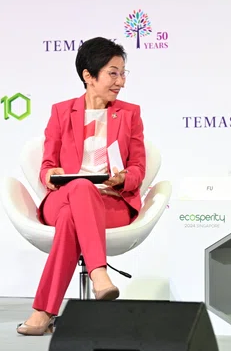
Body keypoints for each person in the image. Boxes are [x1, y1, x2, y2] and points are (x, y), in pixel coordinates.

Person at [17, 37, 147, 335]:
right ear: (88, 76)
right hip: (64, 196)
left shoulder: (130, 114)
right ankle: (99, 273)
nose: (121, 82)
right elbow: (47, 166)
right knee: (78, 188)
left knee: (71, 218)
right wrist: (52, 173)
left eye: (123, 73)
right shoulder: (62, 112)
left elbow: (138, 167)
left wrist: (123, 177)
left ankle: (42, 313)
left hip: (110, 203)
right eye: (113, 73)